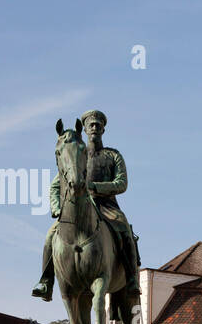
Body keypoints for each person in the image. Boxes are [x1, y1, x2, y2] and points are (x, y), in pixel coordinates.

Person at [33, 109, 142, 301]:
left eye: (98, 125)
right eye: (91, 124)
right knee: (51, 235)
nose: (94, 128)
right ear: (84, 129)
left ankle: (132, 279)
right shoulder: (77, 155)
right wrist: (57, 208)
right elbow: (56, 185)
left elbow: (121, 183)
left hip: (107, 207)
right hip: (78, 211)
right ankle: (46, 281)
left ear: (103, 129)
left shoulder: (112, 155)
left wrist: (94, 187)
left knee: (124, 229)